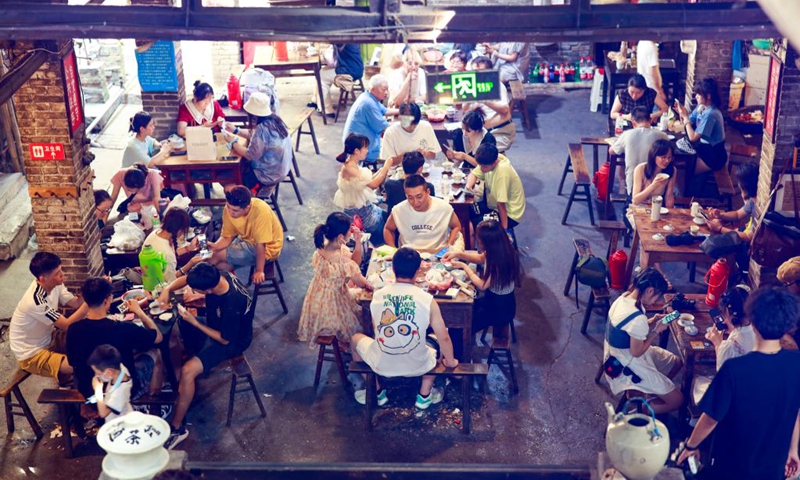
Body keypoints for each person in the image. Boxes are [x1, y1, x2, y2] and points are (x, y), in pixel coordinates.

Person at [678, 287, 800, 480]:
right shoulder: (796, 363)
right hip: (774, 462)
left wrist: (691, 446)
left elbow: (711, 418)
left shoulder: (734, 370)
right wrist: (793, 450)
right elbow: (796, 411)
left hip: (733, 462)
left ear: (753, 319)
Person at [159, 262, 254, 450]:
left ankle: (177, 429)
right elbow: (186, 279)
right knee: (181, 323)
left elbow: (226, 340)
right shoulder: (217, 275)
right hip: (216, 324)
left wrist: (195, 322)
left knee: (187, 371)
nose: (191, 290)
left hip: (233, 341)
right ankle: (194, 363)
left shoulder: (232, 302)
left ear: (208, 290)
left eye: (195, 290)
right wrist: (167, 289)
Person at [350, 247, 458, 409]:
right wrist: (450, 361)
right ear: (418, 270)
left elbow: (377, 331)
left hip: (381, 364)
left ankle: (378, 391)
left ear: (393, 268)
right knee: (437, 342)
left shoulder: (378, 295)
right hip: (418, 366)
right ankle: (424, 395)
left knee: (354, 339)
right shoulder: (427, 299)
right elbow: (444, 338)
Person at [66, 277, 163, 404]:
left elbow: (73, 362)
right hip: (122, 393)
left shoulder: (73, 329)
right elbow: (158, 338)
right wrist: (140, 312)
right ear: (107, 300)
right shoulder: (123, 328)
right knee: (155, 353)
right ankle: (154, 402)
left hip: (91, 394)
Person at [603, 268, 683, 414]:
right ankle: (643, 411)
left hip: (615, 352)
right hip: (627, 362)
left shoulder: (625, 297)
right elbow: (637, 352)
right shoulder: (637, 319)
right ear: (650, 291)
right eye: (656, 298)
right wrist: (655, 331)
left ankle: (654, 391)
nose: (655, 303)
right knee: (677, 400)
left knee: (676, 362)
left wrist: (652, 321)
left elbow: (630, 327)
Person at [297, 213, 371, 350]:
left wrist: (357, 241)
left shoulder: (322, 248)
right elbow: (361, 281)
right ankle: (349, 346)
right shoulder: (341, 260)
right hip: (333, 305)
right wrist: (358, 242)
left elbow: (353, 262)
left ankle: (343, 344)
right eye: (350, 229)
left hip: (317, 299)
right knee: (363, 313)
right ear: (341, 237)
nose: (352, 231)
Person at [10, 252, 87, 381]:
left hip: (49, 338)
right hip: (30, 354)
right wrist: (91, 301)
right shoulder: (35, 301)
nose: (62, 275)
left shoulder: (56, 284)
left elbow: (75, 303)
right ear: (42, 279)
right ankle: (73, 390)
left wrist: (89, 290)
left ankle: (71, 383)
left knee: (88, 340)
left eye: (60, 270)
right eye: (57, 273)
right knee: (81, 366)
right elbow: (67, 325)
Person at [446, 219, 520, 334]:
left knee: (461, 326)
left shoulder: (497, 260)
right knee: (460, 314)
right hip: (495, 300)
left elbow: (482, 286)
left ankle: (458, 348)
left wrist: (464, 267)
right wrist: (459, 254)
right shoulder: (501, 247)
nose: (477, 241)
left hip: (500, 308)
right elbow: (480, 258)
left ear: (487, 242)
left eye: (479, 240)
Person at [206, 186, 283, 285]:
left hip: (268, 248)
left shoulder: (261, 211)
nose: (230, 212)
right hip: (245, 240)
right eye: (228, 207)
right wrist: (215, 246)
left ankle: (201, 286)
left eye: (235, 210)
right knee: (219, 265)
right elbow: (227, 236)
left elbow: (261, 245)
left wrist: (260, 270)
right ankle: (230, 288)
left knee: (213, 256)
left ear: (247, 207)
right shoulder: (229, 208)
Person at [222, 92, 293, 198]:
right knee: (239, 167)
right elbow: (257, 139)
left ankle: (245, 199)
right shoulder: (275, 121)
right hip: (280, 169)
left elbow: (250, 155)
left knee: (226, 179)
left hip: (267, 175)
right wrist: (236, 130)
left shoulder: (262, 129)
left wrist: (232, 142)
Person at [334, 134, 398, 243]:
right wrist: (386, 167)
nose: (367, 150)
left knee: (389, 216)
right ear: (357, 151)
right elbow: (373, 185)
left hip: (366, 207)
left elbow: (369, 180)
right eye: (365, 148)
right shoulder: (350, 168)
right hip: (360, 214)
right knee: (387, 224)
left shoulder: (352, 163)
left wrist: (383, 169)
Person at [384, 174, 462, 251]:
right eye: (410, 197)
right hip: (409, 255)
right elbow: (388, 229)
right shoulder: (398, 210)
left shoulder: (444, 208)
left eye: (419, 196)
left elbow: (456, 226)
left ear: (428, 192)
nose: (415, 202)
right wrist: (393, 250)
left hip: (437, 253)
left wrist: (449, 245)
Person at [610, 106, 668, 195]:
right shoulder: (661, 136)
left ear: (633, 123)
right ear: (651, 120)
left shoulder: (627, 134)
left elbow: (612, 151)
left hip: (632, 187)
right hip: (655, 187)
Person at [465, 144, 526, 230]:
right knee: (467, 212)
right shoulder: (491, 159)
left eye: (484, 167)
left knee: (472, 225)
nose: (482, 169)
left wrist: (504, 229)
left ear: (494, 163)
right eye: (480, 165)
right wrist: (468, 186)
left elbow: (501, 204)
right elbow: (474, 174)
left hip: (510, 214)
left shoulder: (502, 172)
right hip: (492, 205)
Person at [342, 74, 398, 165]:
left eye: (387, 89)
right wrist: (403, 125)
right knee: (395, 147)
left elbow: (385, 110)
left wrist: (402, 111)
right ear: (373, 89)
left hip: (358, 140)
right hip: (359, 147)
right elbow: (384, 127)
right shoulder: (368, 104)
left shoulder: (369, 96)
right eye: (383, 89)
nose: (386, 92)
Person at [676, 77, 728, 174]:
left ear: (708, 96)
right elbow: (689, 122)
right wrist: (683, 114)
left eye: (698, 94)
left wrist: (685, 118)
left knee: (686, 171)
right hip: (704, 148)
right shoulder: (701, 107)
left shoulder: (711, 114)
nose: (696, 96)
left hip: (714, 155)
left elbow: (693, 137)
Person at [467, 56, 515, 152]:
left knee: (483, 155)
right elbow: (464, 109)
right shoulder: (471, 85)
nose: (476, 74)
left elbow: (505, 110)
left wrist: (483, 99)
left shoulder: (497, 86)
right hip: (479, 131)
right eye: (474, 71)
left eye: (480, 71)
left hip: (498, 131)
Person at [142, 208, 199, 283]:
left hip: (149, 278)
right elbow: (171, 282)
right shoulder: (167, 253)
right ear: (180, 230)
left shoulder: (157, 232)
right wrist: (190, 263)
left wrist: (188, 248)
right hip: (159, 286)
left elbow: (168, 253)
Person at [706, 163, 759, 241]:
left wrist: (720, 228)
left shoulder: (759, 209)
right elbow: (737, 214)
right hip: (743, 232)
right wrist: (720, 215)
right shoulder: (753, 200)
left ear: (744, 186)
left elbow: (748, 237)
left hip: (746, 246)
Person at [312, 43, 364, 117]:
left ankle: (326, 110)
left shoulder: (342, 39)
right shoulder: (350, 38)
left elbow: (330, 56)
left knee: (321, 76)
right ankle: (315, 100)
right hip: (356, 68)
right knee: (323, 71)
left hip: (349, 70)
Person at [88, 344, 134, 421]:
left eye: (97, 372)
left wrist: (98, 391)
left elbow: (103, 413)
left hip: (119, 425)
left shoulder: (120, 391)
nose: (96, 375)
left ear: (109, 372)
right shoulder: (120, 369)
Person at [630, 139, 676, 208]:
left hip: (656, 207)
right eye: (663, 157)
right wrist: (653, 185)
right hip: (638, 207)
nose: (667, 161)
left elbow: (669, 196)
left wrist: (670, 213)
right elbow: (635, 200)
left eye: (669, 157)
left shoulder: (672, 170)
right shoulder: (640, 169)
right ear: (654, 156)